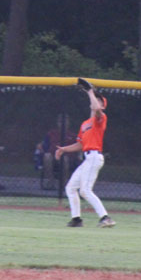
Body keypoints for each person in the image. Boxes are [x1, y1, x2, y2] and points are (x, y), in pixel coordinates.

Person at [55, 79, 115, 228]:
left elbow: (96, 109)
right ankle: (76, 219)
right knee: (70, 188)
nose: (96, 101)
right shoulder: (85, 124)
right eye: (96, 99)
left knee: (85, 190)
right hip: (88, 158)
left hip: (95, 157)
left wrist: (90, 91)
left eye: (99, 100)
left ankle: (105, 218)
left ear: (102, 106)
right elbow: (80, 145)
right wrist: (64, 149)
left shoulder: (101, 118)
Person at [35, 113, 75, 190]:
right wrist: (40, 147)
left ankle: (63, 184)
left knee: (65, 160)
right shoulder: (51, 134)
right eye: (60, 121)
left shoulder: (72, 136)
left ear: (68, 123)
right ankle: (51, 182)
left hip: (67, 157)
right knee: (47, 157)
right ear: (57, 123)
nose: (63, 123)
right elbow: (43, 146)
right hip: (53, 156)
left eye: (65, 121)